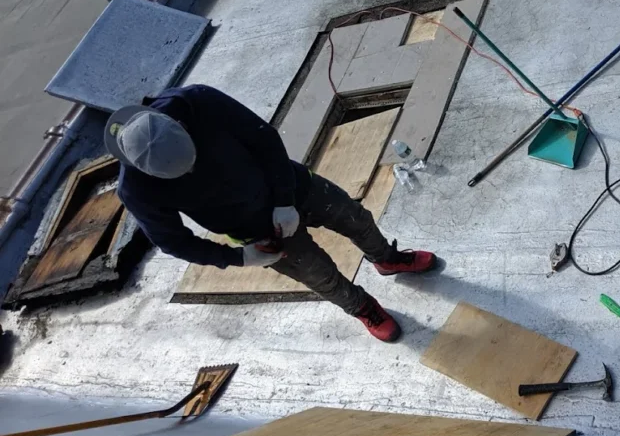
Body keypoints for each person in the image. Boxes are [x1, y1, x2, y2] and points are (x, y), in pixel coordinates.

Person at [105, 84, 436, 343]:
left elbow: (263, 137)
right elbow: (175, 242)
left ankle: (387, 259)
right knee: (319, 276)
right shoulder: (136, 190)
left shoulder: (198, 101)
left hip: (290, 186)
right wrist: (241, 258)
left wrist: (284, 198)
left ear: (177, 125)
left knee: (355, 218)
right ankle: (362, 308)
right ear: (146, 172)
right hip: (255, 232)